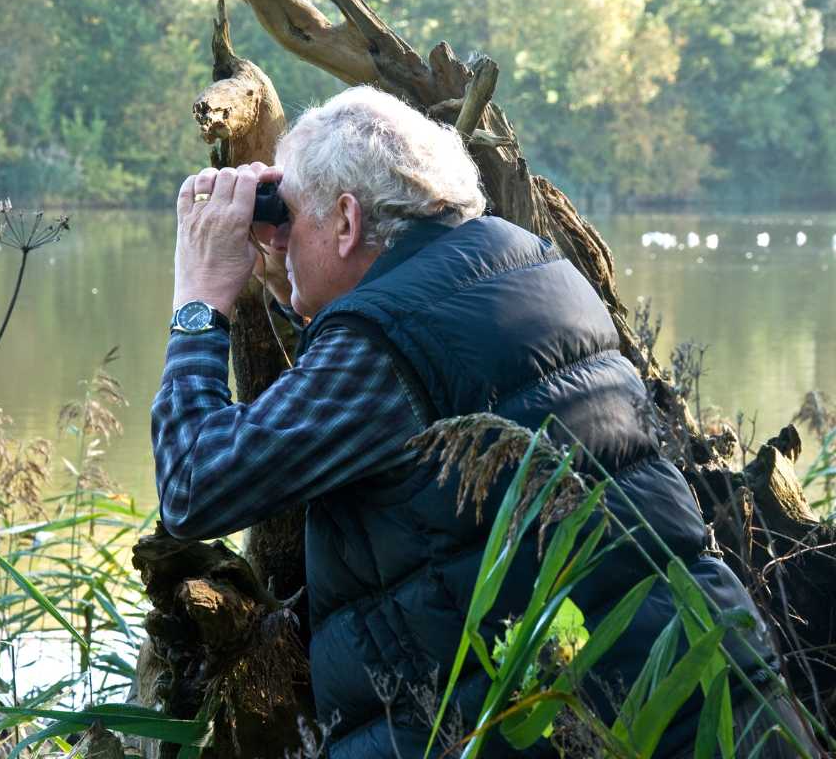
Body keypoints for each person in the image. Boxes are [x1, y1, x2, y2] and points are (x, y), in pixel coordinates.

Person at [152, 87, 803, 757]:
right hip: (706, 704)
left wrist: (199, 298)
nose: (279, 236)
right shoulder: (528, 262)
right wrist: (294, 276)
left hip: (568, 727)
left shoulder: (385, 343)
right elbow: (388, 362)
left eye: (288, 216)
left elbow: (193, 487)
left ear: (345, 221)